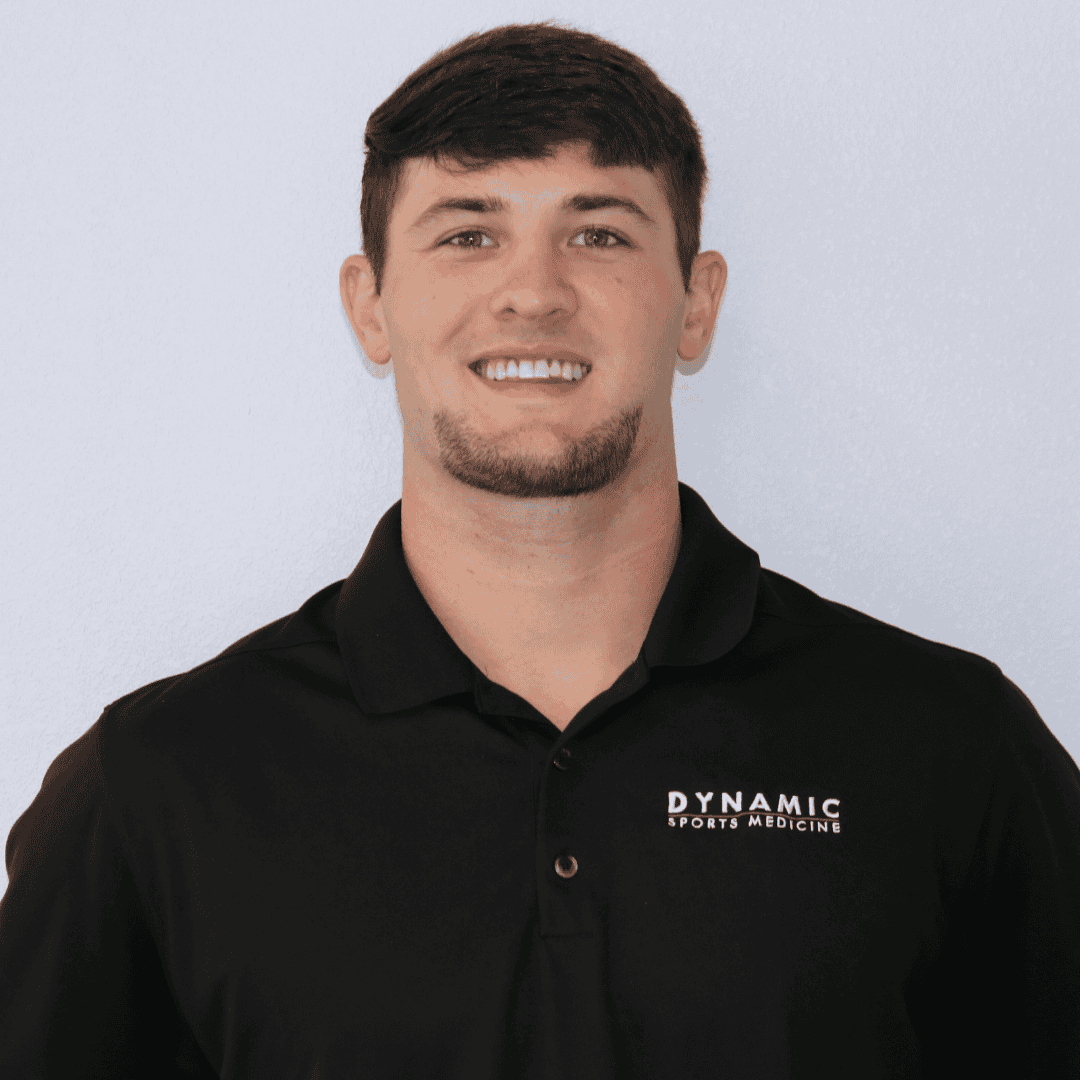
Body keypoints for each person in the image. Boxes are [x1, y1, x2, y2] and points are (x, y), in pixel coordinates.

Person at [1, 21, 1078, 1079]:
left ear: (696, 303)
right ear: (369, 306)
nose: (534, 291)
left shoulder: (948, 749)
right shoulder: (166, 782)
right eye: (467, 232)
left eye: (598, 231)